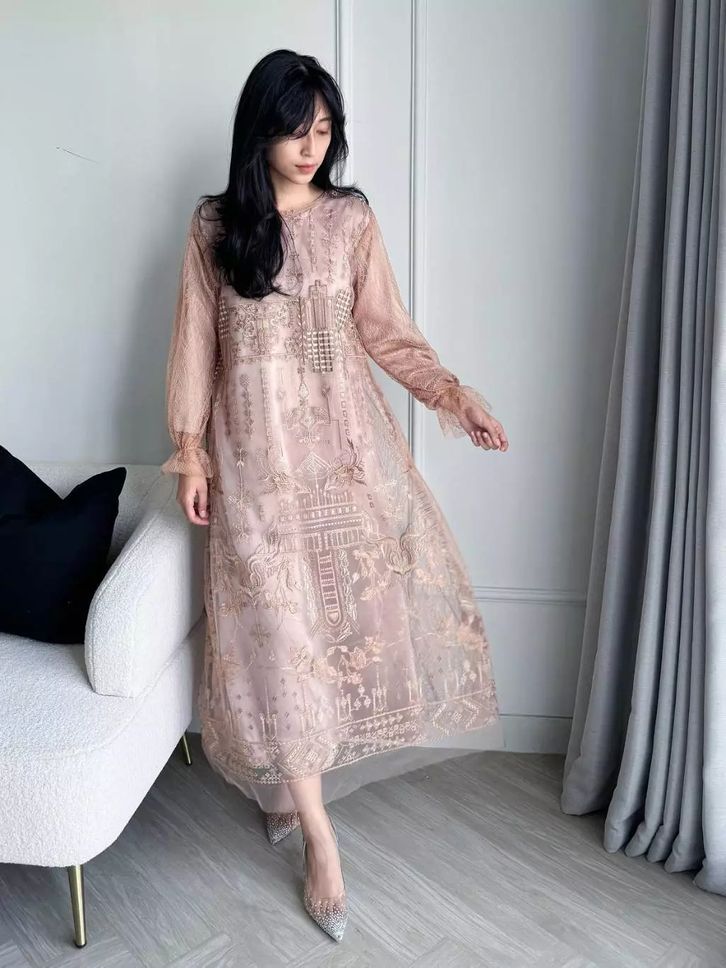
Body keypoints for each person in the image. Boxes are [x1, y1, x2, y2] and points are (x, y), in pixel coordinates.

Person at [160, 48, 509, 943]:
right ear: (260, 131)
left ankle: (293, 787)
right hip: (252, 467)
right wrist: (190, 455)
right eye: (294, 129)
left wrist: (453, 395)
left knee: (334, 633)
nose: (310, 146)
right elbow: (196, 345)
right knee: (278, 638)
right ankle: (321, 839)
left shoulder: (350, 219)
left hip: (343, 458)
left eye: (322, 129)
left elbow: (385, 332)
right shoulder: (214, 227)